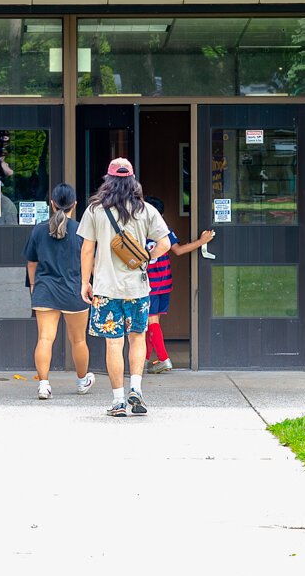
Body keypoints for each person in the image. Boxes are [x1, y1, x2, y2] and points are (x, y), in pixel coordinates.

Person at [78, 158, 170, 418]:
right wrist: (147, 257)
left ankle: (118, 401)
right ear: (132, 180)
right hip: (138, 289)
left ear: (108, 180)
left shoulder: (95, 210)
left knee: (113, 344)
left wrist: (86, 282)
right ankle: (136, 390)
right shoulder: (147, 210)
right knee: (138, 338)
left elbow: (87, 249)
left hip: (106, 290)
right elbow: (163, 244)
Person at [24, 184, 95, 400]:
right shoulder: (82, 230)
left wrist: (35, 286)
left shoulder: (38, 229)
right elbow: (89, 259)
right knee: (79, 341)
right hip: (75, 290)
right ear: (75, 204)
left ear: (52, 204)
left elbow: (31, 262)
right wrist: (88, 282)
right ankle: (82, 381)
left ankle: (44, 385)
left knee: (45, 339)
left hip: (45, 290)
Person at [141, 196, 215, 374]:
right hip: (164, 282)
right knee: (153, 322)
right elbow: (179, 250)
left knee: (150, 322)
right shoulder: (165, 230)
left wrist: (202, 242)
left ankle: (164, 359)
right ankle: (143, 360)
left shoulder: (139, 230)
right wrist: (201, 242)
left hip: (148, 284)